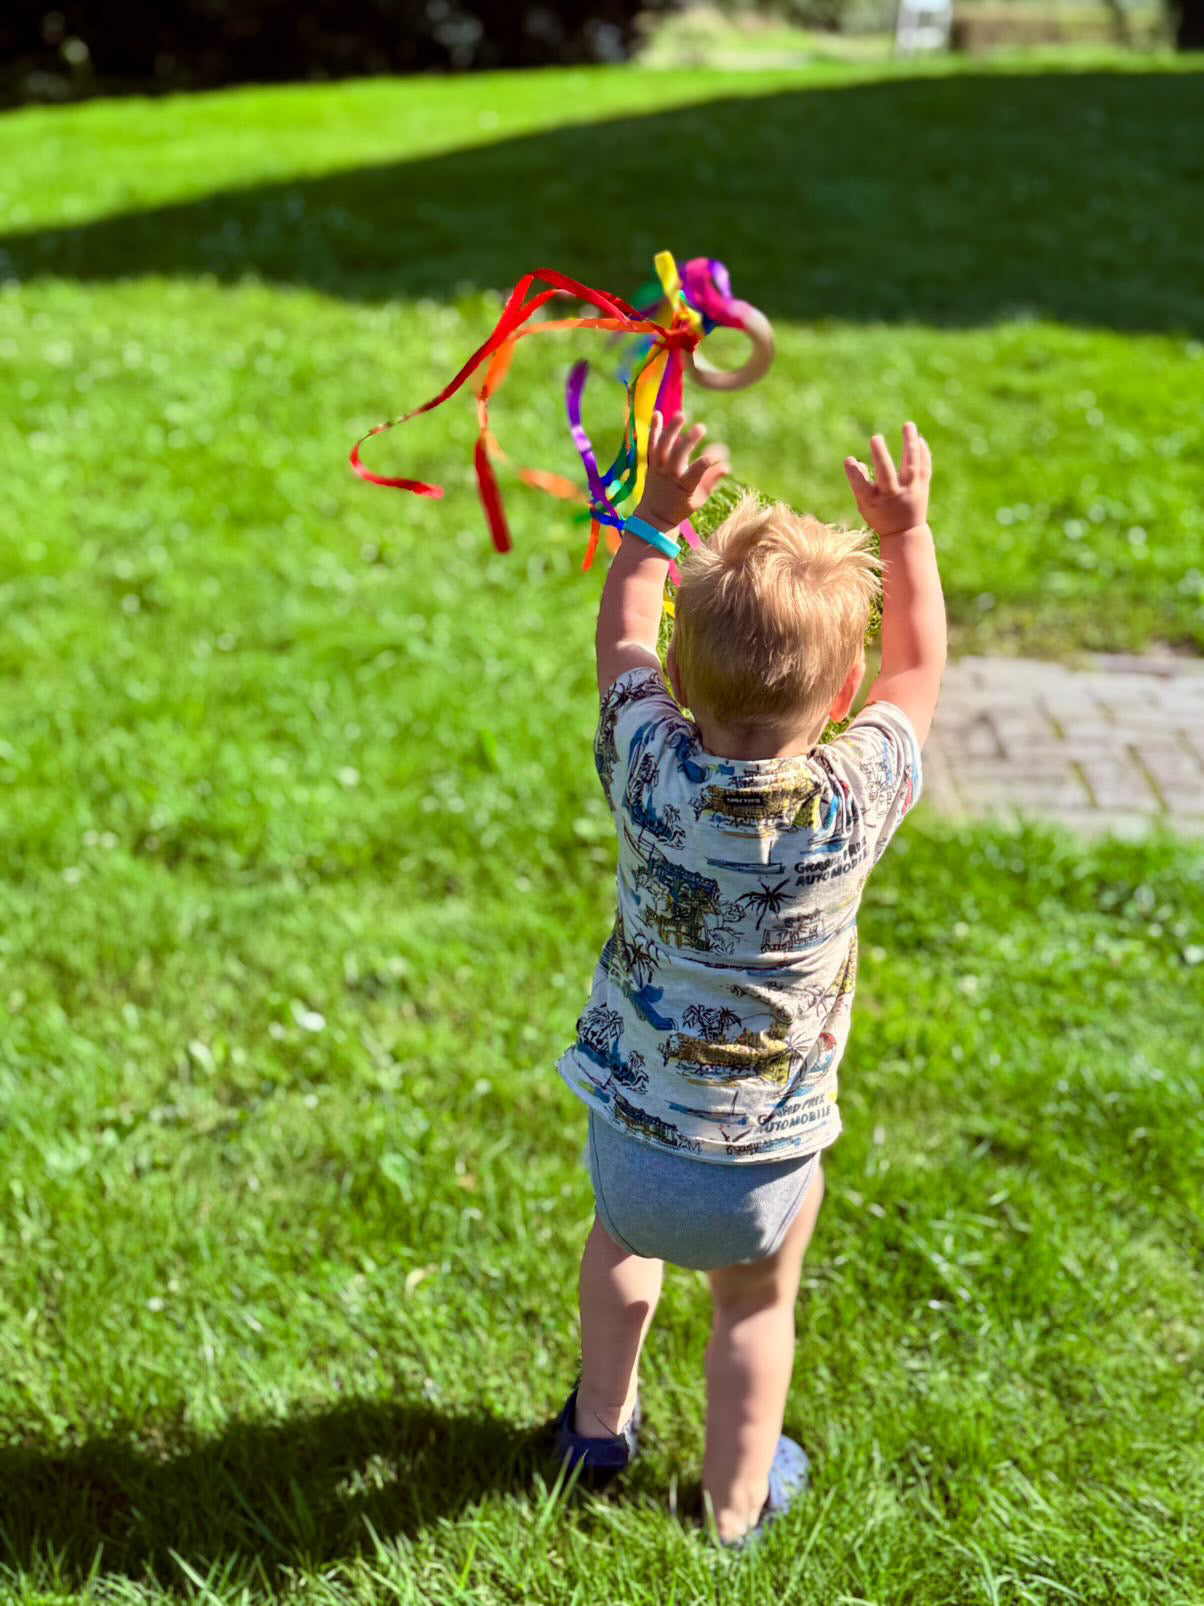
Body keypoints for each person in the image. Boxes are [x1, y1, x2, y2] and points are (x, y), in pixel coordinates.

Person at [551, 409, 947, 1548]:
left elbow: (621, 637)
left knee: (618, 1248)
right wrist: (905, 535)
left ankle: (597, 1424)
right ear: (842, 693)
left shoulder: (647, 763)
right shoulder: (851, 799)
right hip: (766, 1156)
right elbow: (918, 668)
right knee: (752, 1306)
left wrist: (654, 524)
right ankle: (731, 1511)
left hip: (631, 1133)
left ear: (681, 674)